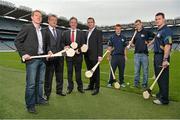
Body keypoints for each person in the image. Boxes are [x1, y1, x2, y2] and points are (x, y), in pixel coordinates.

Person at [14, 10, 47, 113]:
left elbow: (43, 45)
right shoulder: (27, 27)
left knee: (40, 82)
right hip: (32, 60)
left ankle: (39, 99)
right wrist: (23, 54)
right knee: (31, 84)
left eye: (40, 16)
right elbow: (17, 41)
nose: (38, 17)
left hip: (42, 59)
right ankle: (30, 105)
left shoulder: (43, 30)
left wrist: (48, 51)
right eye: (36, 16)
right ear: (32, 17)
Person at [44, 14, 66, 101]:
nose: (54, 21)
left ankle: (59, 90)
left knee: (60, 75)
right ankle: (46, 94)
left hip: (60, 58)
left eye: (55, 20)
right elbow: (44, 44)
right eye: (52, 20)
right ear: (48, 21)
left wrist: (65, 47)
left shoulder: (60, 32)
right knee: (48, 77)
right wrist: (47, 51)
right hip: (50, 58)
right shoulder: (44, 31)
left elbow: (62, 43)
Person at [153, 12, 172, 105]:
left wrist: (165, 59)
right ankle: (161, 94)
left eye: (159, 19)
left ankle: (164, 99)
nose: (157, 21)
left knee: (163, 78)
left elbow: (167, 45)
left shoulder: (166, 30)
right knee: (158, 76)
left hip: (162, 56)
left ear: (164, 19)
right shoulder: (159, 30)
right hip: (157, 56)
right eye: (156, 19)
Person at [62, 17, 85, 94]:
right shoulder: (65, 33)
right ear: (69, 23)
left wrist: (79, 50)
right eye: (71, 22)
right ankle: (70, 87)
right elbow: (62, 43)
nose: (73, 24)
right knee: (69, 72)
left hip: (78, 56)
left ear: (76, 23)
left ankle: (80, 87)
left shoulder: (81, 33)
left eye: (74, 22)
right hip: (69, 57)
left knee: (78, 73)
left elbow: (84, 45)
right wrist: (65, 47)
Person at [131, 19, 154, 89]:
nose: (137, 26)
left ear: (141, 24)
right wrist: (131, 44)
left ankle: (144, 85)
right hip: (136, 54)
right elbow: (134, 45)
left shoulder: (146, 31)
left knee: (145, 71)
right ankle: (136, 84)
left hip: (144, 54)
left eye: (138, 24)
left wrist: (149, 43)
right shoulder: (135, 33)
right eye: (136, 25)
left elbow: (156, 36)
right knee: (136, 71)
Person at [84, 17, 103, 95]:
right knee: (89, 71)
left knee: (96, 72)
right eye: (88, 22)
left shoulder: (98, 32)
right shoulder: (86, 32)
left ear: (94, 23)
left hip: (95, 55)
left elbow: (100, 44)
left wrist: (100, 55)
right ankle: (91, 86)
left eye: (91, 22)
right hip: (87, 55)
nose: (89, 23)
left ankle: (96, 88)